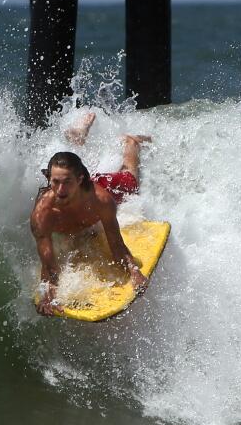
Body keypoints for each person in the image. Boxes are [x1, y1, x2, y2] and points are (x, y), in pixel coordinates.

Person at [30, 112, 153, 316]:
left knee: (130, 180)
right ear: (49, 179)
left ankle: (132, 142)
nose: (60, 190)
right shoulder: (43, 214)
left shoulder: (101, 200)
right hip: (80, 184)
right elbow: (48, 263)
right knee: (67, 170)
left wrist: (134, 271)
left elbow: (116, 244)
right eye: (55, 182)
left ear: (79, 180)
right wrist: (48, 294)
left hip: (96, 186)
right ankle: (79, 137)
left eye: (67, 182)